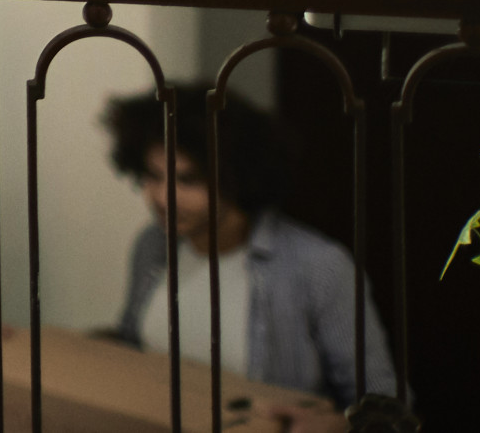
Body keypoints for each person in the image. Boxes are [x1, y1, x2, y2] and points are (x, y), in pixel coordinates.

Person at [103, 86, 395, 407]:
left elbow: (381, 402)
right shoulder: (152, 244)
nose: (163, 197)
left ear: (237, 177)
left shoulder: (318, 266)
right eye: (152, 176)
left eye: (188, 180)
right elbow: (133, 348)